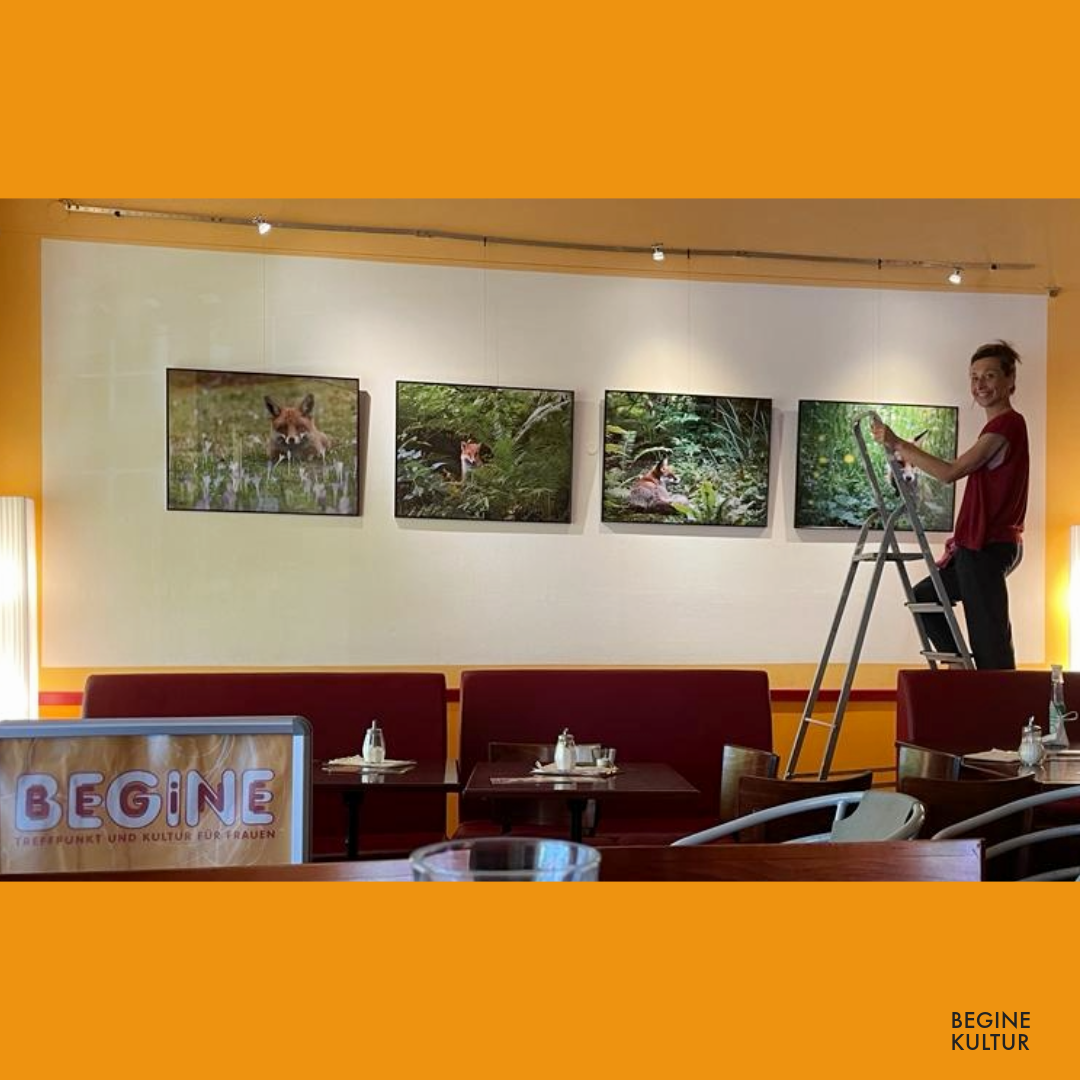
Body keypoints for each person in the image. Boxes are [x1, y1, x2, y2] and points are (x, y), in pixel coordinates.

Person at [871, 341, 1028, 670]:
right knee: (924, 597)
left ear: (1010, 379)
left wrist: (899, 444)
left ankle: (998, 699)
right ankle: (959, 667)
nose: (980, 384)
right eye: (974, 377)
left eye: (989, 375)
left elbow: (950, 472)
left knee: (990, 644)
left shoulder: (1007, 424)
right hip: (975, 546)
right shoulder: (996, 427)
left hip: (987, 545)